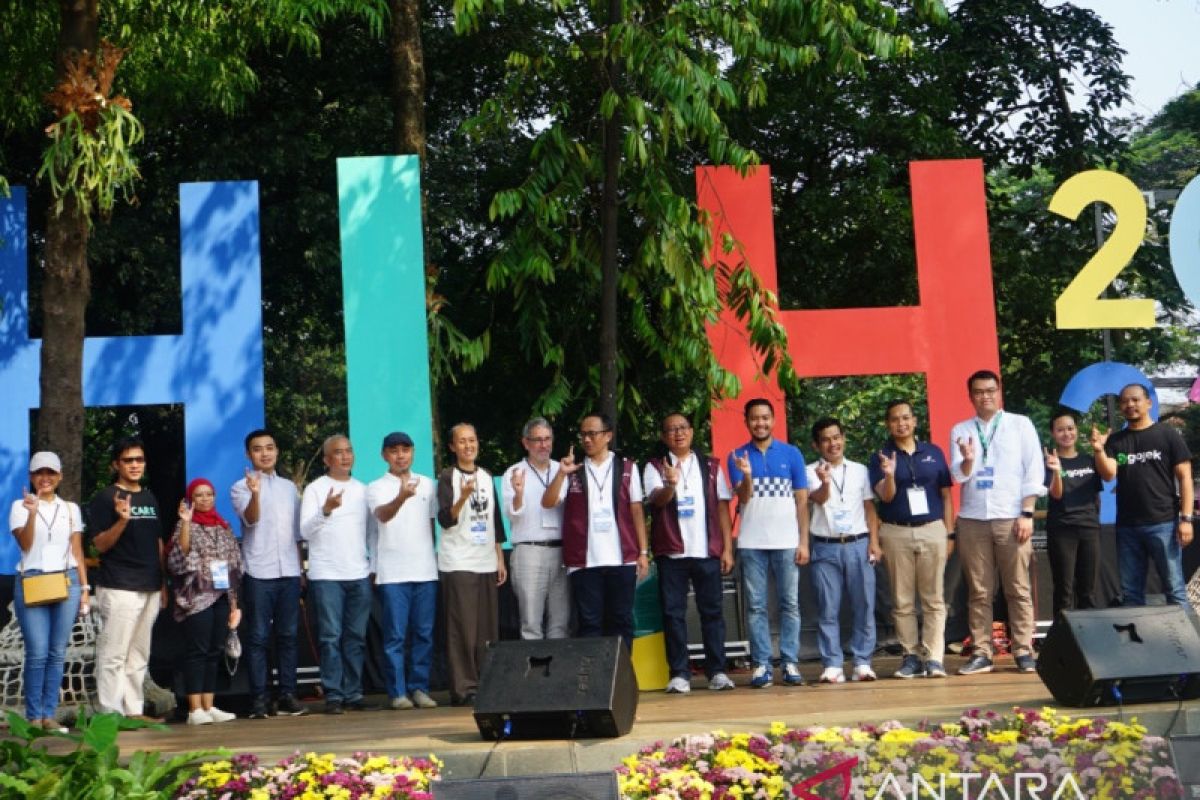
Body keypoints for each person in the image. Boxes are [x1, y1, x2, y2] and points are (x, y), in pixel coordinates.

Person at [950, 370, 1045, 675]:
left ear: (999, 391)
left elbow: (1034, 470)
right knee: (979, 590)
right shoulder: (961, 429)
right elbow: (959, 475)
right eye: (978, 392)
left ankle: (1023, 650)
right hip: (973, 518)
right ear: (970, 396)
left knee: (1017, 587)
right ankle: (981, 651)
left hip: (1011, 516)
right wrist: (967, 458)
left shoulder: (1020, 424)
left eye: (990, 390)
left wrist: (1027, 513)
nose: (985, 396)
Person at [645, 413, 735, 694]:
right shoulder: (654, 466)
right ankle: (680, 673)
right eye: (671, 430)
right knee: (673, 614)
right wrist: (670, 484)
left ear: (692, 432)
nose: (678, 433)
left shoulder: (710, 465)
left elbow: (722, 507)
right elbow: (656, 501)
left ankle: (717, 671)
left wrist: (727, 548)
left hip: (706, 550)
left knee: (713, 612)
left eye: (682, 428)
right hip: (672, 552)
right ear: (663, 437)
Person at [545, 412, 649, 648]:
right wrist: (561, 473)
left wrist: (643, 552)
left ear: (608, 436)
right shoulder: (573, 470)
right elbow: (549, 502)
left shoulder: (627, 468)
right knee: (589, 623)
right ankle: (592, 681)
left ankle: (621, 679)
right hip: (584, 561)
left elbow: (636, 511)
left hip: (621, 558)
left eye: (592, 434)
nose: (587, 439)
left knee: (621, 621)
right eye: (583, 435)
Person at [726, 398, 809, 689]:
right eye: (754, 418)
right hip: (751, 542)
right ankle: (761, 664)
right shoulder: (736, 455)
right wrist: (746, 474)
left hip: (787, 541)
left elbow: (801, 500)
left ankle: (789, 662)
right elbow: (744, 498)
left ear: (773, 420)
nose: (760, 423)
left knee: (790, 604)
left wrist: (804, 541)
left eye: (765, 418)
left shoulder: (792, 453)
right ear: (746, 421)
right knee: (757, 606)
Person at [869, 400, 954, 680]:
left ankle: (934, 657)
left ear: (915, 421)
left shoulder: (933, 452)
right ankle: (910, 656)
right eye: (895, 419)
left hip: (932, 528)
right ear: (888, 424)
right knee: (902, 600)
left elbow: (946, 495)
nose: (901, 423)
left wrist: (949, 532)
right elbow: (886, 497)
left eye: (906, 418)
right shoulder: (880, 455)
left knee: (933, 599)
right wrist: (890, 475)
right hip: (896, 531)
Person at [1092, 383, 1194, 607]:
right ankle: (1138, 643)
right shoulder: (1117, 441)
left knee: (1174, 589)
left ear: (1148, 403)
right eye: (1125, 401)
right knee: (1131, 593)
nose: (1130, 404)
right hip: (1127, 526)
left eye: (1135, 399)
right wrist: (1099, 450)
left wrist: (1185, 519)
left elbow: (1185, 477)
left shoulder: (1167, 434)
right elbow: (1109, 474)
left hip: (1164, 524)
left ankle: (1190, 643)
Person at [87, 437, 166, 721]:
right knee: (114, 653)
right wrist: (121, 520)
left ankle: (134, 710)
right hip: (119, 584)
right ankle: (111, 713)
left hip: (150, 585)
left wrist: (163, 582)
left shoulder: (149, 497)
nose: (135, 465)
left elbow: (157, 541)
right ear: (116, 464)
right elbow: (99, 545)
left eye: (139, 460)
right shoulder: (105, 498)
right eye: (128, 460)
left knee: (139, 654)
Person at [230, 429, 307, 719]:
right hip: (259, 571)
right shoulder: (240, 487)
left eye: (270, 448)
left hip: (288, 570)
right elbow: (251, 519)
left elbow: (297, 534)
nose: (265, 453)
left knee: (288, 635)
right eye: (258, 449)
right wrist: (255, 493)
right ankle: (259, 698)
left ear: (277, 451)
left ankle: (287, 694)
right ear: (249, 455)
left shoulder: (289, 488)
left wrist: (300, 569)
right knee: (259, 637)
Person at [10, 452, 87, 732]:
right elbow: (26, 545)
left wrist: (85, 589)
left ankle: (48, 714)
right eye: (39, 473)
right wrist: (32, 515)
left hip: (66, 579)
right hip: (33, 579)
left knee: (57, 652)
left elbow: (77, 551)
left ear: (60, 476)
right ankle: (33, 715)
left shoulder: (70, 508)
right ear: (31, 476)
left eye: (51, 473)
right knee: (38, 652)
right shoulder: (21, 505)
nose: (45, 478)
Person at [300, 434, 373, 714]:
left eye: (349, 451)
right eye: (338, 453)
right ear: (326, 459)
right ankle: (333, 694)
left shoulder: (363, 490)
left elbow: (370, 533)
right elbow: (304, 531)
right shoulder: (316, 489)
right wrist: (326, 511)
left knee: (355, 637)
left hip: (358, 572)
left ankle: (353, 693)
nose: (345, 456)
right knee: (330, 636)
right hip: (327, 574)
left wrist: (371, 566)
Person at [367, 432, 439, 710]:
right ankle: (397, 692)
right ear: (385, 455)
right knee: (395, 636)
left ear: (413, 452)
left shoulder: (428, 484)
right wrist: (401, 496)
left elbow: (431, 525)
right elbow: (382, 516)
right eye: (394, 450)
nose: (400, 455)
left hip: (425, 570)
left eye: (406, 450)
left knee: (424, 633)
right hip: (393, 572)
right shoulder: (375, 487)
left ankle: (419, 687)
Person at [437, 423, 507, 707]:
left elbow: (495, 521)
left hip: (486, 560)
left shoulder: (487, 476)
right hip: (459, 561)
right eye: (462, 442)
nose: (468, 446)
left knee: (486, 629)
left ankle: (487, 682)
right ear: (452, 447)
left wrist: (500, 558)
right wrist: (462, 497)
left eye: (472, 440)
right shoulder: (447, 476)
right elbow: (445, 519)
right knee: (462, 629)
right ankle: (464, 688)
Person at [807, 417, 881, 684]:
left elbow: (870, 508)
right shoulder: (809, 471)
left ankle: (862, 661)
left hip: (858, 543)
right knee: (828, 607)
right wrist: (825, 482)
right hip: (825, 547)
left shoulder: (860, 470)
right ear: (817, 445)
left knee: (864, 604)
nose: (833, 443)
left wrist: (874, 541)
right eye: (826, 439)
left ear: (844, 438)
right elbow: (818, 499)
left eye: (836, 437)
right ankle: (832, 663)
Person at [168, 478, 243, 725]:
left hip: (222, 594)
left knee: (214, 651)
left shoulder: (223, 525)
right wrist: (187, 523)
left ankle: (209, 706)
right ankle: (194, 709)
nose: (205, 499)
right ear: (191, 498)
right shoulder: (185, 525)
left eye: (209, 494)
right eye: (199, 495)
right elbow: (180, 555)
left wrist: (234, 603)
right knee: (197, 652)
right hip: (198, 596)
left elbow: (234, 562)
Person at [501, 418, 570, 640]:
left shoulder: (564, 470)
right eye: (537, 440)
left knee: (561, 622)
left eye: (547, 439)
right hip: (529, 551)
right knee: (531, 623)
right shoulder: (514, 472)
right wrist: (519, 493)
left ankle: (558, 673)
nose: (543, 445)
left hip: (561, 551)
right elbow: (512, 514)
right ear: (525, 443)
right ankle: (533, 673)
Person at [1043, 411, 1102, 617]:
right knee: (1064, 589)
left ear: (1076, 431)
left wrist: (1092, 519)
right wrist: (1057, 470)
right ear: (1053, 433)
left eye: (1070, 428)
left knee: (1087, 590)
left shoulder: (1089, 460)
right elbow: (1056, 494)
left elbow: (1097, 495)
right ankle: (1061, 640)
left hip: (1089, 529)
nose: (1066, 433)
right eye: (1060, 430)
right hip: (1062, 530)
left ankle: (1089, 640)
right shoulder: (1049, 462)